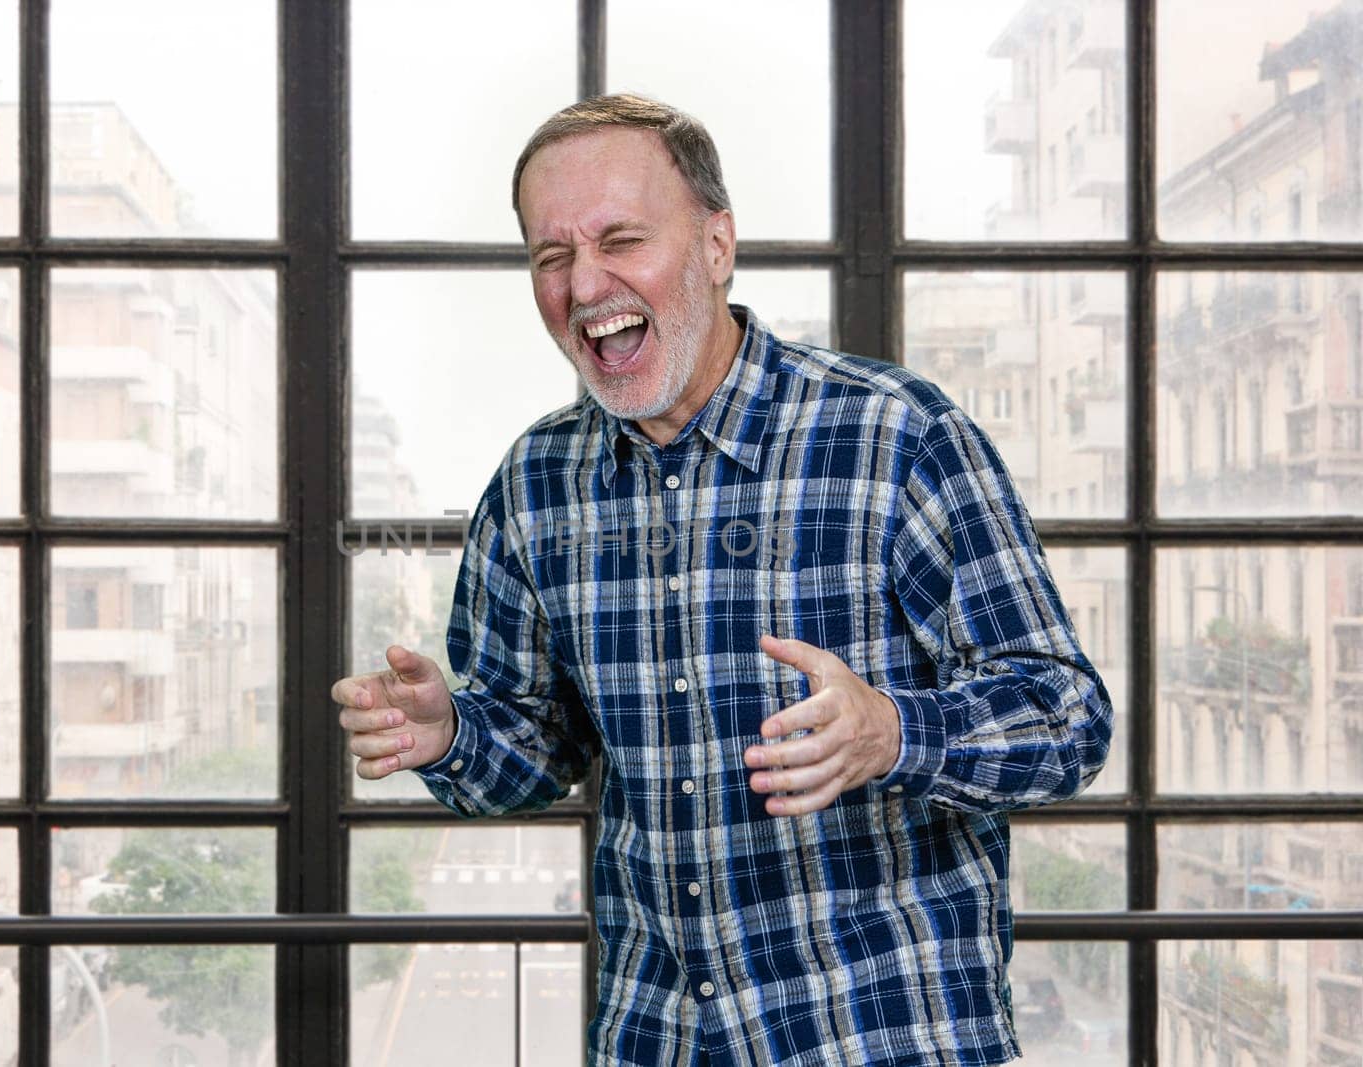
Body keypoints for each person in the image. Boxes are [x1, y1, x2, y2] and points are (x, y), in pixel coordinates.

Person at [333, 93, 1112, 1066]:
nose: (583, 282)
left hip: (884, 1037)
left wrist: (892, 732)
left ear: (715, 245)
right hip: (654, 1035)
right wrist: (450, 732)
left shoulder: (899, 437)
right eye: (550, 255)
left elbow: (1066, 716)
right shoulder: (534, 485)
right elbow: (536, 748)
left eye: (622, 237)